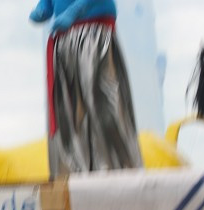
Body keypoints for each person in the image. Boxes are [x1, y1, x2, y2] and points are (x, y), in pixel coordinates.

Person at [29, 0, 142, 177]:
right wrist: (44, 7)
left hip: (93, 33)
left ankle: (120, 170)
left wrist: (77, 9)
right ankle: (75, 174)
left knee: (103, 105)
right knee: (69, 111)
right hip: (64, 38)